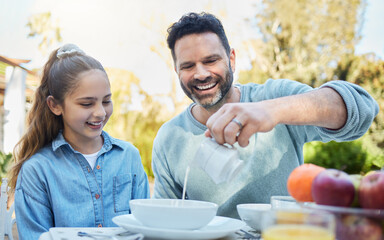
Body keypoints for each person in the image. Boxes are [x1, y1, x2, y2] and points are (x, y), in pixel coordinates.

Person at [151, 12, 379, 218]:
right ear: (177, 71)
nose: (200, 74)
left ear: (231, 59)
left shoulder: (274, 96)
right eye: (188, 66)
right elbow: (166, 220)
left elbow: (361, 109)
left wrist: (272, 110)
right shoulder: (169, 137)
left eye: (211, 61)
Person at [8, 44, 150, 239]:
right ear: (55, 105)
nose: (100, 112)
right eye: (86, 103)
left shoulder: (129, 156)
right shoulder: (37, 170)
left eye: (106, 101)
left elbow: (144, 228)